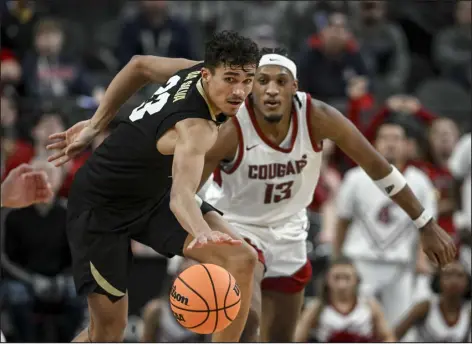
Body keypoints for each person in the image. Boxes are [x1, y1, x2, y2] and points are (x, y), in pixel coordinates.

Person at [198, 49, 455, 341]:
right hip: (238, 226)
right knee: (246, 317)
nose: (271, 90)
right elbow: (187, 189)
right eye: (262, 81)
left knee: (280, 336)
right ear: (250, 86)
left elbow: (377, 165)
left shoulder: (317, 116)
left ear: (294, 87)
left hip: (289, 232)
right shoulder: (230, 127)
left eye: (281, 82)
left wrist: (425, 222)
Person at [46, 31, 260, 342]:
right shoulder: (195, 127)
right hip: (101, 206)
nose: (239, 90)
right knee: (107, 332)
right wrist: (202, 232)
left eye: (247, 79)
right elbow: (182, 198)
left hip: (150, 194)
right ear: (207, 74)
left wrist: (96, 124)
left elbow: (139, 66)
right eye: (230, 79)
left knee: (242, 259)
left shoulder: (194, 71)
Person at [333, 120, 437, 327]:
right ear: (374, 144)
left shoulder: (420, 181)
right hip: (361, 262)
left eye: (396, 139)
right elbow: (342, 221)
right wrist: (337, 258)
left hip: (400, 264)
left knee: (398, 325)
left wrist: (421, 260)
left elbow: (427, 228)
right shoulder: (355, 178)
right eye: (385, 138)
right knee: (358, 325)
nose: (391, 144)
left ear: (408, 145)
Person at [294, 256, 395, 342]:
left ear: (356, 280)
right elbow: (297, 339)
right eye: (336, 278)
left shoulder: (369, 305)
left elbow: (388, 337)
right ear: (327, 279)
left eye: (347, 278)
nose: (342, 285)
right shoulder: (316, 307)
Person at [395, 260, 471, 342]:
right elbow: (392, 336)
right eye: (448, 275)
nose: (454, 281)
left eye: (460, 276)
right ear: (438, 281)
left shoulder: (468, 312)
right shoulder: (425, 307)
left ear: (468, 283)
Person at [140, 258, 208, 343]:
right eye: (184, 275)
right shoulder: (156, 310)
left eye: (194, 276)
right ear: (174, 278)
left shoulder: (209, 314)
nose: (189, 282)